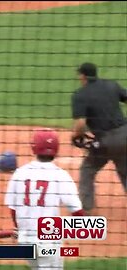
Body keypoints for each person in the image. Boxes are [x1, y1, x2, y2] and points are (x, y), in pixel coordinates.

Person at [4, 129, 84, 270]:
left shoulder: (19, 173)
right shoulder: (61, 176)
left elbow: (13, 209)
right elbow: (77, 212)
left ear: (33, 147)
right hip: (48, 242)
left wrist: (18, 228)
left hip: (26, 242)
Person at [71, 62, 127, 213]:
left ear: (82, 76)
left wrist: (75, 136)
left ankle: (86, 209)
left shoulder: (80, 95)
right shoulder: (111, 85)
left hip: (105, 141)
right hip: (125, 135)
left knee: (87, 169)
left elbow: (81, 124)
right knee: (125, 170)